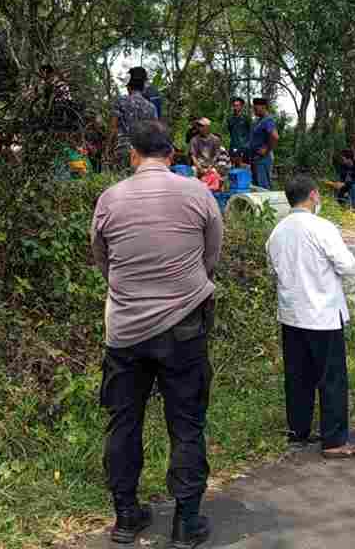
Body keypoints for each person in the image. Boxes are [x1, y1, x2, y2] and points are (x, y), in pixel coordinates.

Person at [90, 120, 222, 549]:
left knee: (123, 423)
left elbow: (103, 261)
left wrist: (133, 292)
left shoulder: (110, 198)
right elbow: (210, 256)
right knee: (186, 424)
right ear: (172, 155)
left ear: (133, 156)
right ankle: (186, 521)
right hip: (184, 327)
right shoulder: (198, 194)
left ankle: (126, 517)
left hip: (126, 331)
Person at [265, 174, 355, 458]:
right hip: (322, 315)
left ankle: (299, 431)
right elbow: (346, 265)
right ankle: (333, 440)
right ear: (313, 195)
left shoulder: (277, 232)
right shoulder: (322, 228)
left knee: (298, 376)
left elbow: (274, 271)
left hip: (291, 315)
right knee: (331, 378)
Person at [110, 70, 159, 168]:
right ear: (143, 86)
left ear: (128, 85)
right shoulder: (151, 107)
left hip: (123, 151)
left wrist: (108, 148)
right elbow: (155, 133)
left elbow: (113, 128)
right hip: (144, 154)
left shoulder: (120, 101)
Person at [248, 97, 279, 190]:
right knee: (256, 186)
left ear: (263, 107)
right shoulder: (258, 121)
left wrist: (267, 149)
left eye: (256, 108)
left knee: (263, 186)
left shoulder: (268, 120)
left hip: (263, 159)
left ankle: (268, 204)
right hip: (255, 158)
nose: (254, 110)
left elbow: (275, 137)